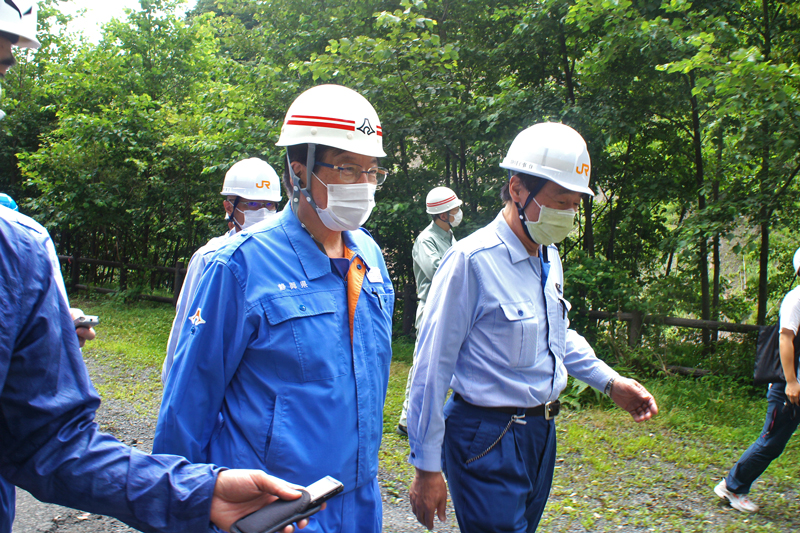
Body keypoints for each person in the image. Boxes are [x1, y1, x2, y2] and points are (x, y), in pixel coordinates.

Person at [0, 4, 308, 532]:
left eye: (2, 67)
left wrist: (192, 489)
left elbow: (51, 440)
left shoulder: (17, 253)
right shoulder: (237, 259)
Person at [155, 84, 395, 533]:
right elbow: (188, 405)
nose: (363, 185)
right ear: (298, 172)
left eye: (371, 171)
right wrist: (179, 509)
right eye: (347, 169)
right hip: (275, 510)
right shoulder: (241, 266)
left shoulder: (371, 258)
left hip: (358, 503)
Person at [406, 122, 659, 532]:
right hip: (486, 435)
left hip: (541, 432)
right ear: (518, 189)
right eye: (561, 200)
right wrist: (427, 466)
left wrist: (611, 383)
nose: (569, 213)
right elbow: (431, 367)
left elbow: (555, 335)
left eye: (576, 203)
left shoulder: (549, 256)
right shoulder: (471, 262)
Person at [162, 157, 282, 383]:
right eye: (253, 204)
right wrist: (173, 384)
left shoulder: (283, 257)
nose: (265, 212)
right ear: (229, 207)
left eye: (270, 205)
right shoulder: (210, 258)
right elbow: (186, 329)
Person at [714, 247, 800, 513]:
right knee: (772, 441)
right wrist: (791, 382)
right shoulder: (796, 300)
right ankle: (732, 486)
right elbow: (785, 339)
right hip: (788, 388)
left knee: (774, 441)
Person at [397, 186, 463, 436]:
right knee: (423, 365)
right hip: (432, 308)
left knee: (449, 366)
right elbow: (439, 273)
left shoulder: (449, 237)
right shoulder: (426, 240)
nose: (458, 212)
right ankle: (406, 419)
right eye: (454, 209)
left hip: (449, 308)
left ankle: (436, 416)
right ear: (442, 214)